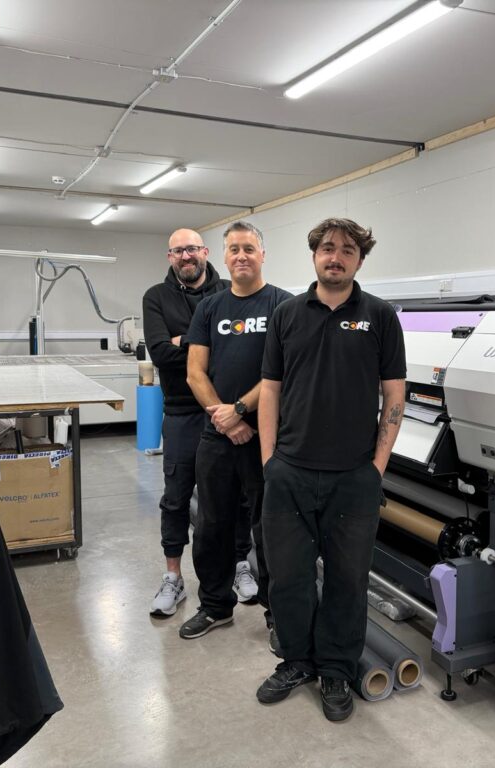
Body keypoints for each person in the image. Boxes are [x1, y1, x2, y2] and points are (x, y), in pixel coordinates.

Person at [255, 218, 406, 722]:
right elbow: (271, 389)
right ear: (314, 255)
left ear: (359, 260)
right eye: (326, 248)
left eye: (346, 250)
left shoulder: (379, 316)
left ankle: (337, 670)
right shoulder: (287, 314)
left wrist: (375, 468)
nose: (335, 256)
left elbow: (394, 394)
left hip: (353, 477)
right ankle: (297, 661)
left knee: (347, 581)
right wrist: (270, 461)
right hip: (289, 473)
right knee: (288, 579)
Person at [180, 221, 293, 640]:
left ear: (262, 254)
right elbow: (194, 372)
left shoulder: (284, 305)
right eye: (234, 249)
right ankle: (215, 606)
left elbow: (285, 371)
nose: (241, 255)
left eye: (249, 248)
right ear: (224, 258)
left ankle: (278, 614)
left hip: (269, 437)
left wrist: (241, 410)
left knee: (272, 527)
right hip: (218, 436)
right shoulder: (210, 308)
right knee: (212, 524)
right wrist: (225, 420)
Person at [142, 228, 259, 617]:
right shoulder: (156, 297)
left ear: (206, 252)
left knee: (238, 497)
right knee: (176, 497)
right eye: (178, 251)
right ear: (169, 257)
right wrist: (205, 344)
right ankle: (173, 577)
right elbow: (160, 353)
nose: (186, 256)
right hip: (182, 412)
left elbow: (239, 349)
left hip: (230, 410)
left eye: (192, 248)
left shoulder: (228, 291)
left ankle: (240, 565)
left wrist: (184, 341)